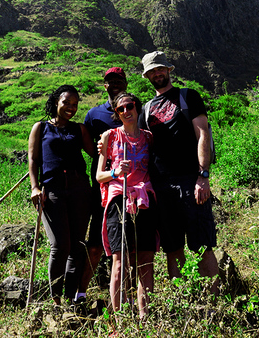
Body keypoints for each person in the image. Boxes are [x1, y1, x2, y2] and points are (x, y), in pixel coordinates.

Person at [138, 51, 220, 295]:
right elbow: (141, 145)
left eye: (160, 69)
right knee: (172, 248)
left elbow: (202, 135)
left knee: (202, 244)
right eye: (152, 71)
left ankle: (215, 302)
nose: (157, 74)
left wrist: (202, 176)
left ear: (169, 70)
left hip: (191, 181)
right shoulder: (146, 109)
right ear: (147, 76)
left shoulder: (188, 97)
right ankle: (183, 299)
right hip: (161, 187)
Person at [28, 84, 96, 305]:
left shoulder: (79, 129)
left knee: (77, 246)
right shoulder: (40, 128)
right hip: (53, 192)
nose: (71, 108)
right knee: (60, 245)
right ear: (56, 101)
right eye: (66, 102)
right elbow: (33, 160)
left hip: (79, 191)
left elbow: (95, 153)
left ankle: (70, 297)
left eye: (75, 104)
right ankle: (55, 300)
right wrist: (35, 187)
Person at [96, 92, 157, 319]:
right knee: (119, 262)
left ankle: (145, 318)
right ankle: (118, 321)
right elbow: (99, 176)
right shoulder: (110, 136)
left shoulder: (150, 138)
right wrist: (115, 171)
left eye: (129, 106)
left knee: (146, 260)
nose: (125, 111)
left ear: (137, 108)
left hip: (144, 199)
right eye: (120, 109)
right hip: (119, 199)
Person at [77, 67, 128, 304]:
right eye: (110, 81)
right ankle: (81, 292)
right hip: (103, 189)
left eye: (119, 80)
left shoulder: (133, 107)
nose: (115, 84)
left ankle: (128, 295)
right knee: (95, 244)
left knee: (131, 245)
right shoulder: (94, 115)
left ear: (125, 83)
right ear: (104, 85)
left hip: (133, 188)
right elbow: (88, 148)